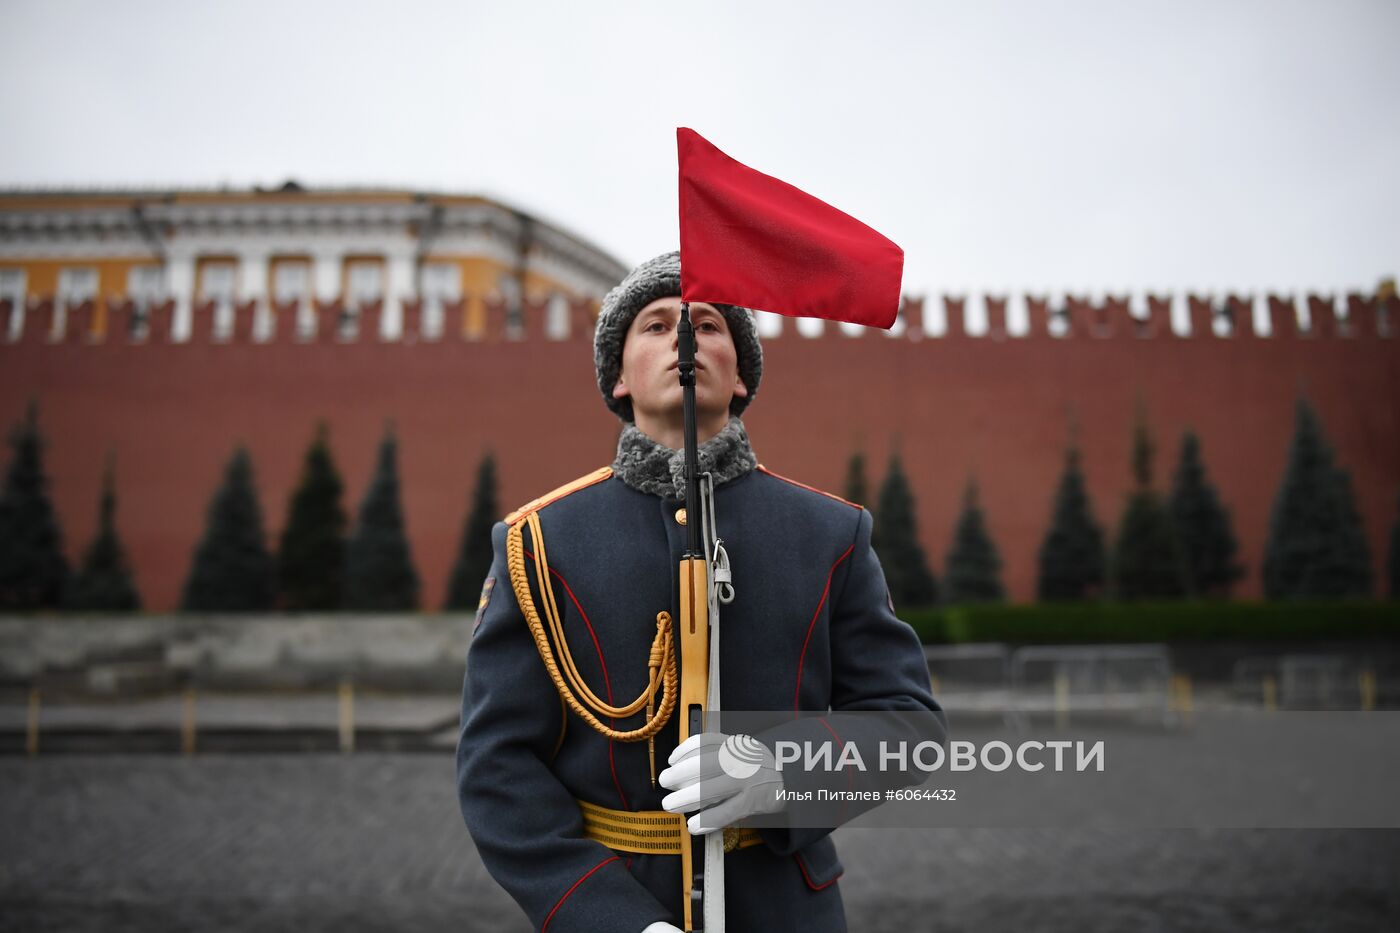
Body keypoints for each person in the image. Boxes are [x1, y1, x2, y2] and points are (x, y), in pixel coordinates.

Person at [456, 251, 942, 932]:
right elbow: (497, 766)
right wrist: (613, 919)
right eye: (656, 326)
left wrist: (781, 774)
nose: (684, 339)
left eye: (709, 325)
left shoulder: (830, 532)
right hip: (621, 900)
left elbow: (908, 725)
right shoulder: (538, 541)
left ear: (741, 375)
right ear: (618, 376)